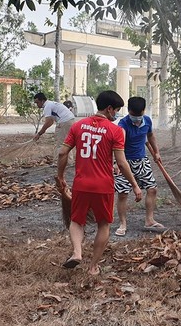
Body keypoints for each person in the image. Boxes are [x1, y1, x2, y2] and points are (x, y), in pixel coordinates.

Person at [56, 90, 142, 275]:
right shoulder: (115, 131)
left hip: (81, 184)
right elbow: (121, 162)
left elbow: (63, 153)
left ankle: (77, 252)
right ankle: (93, 266)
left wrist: (61, 176)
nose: (117, 114)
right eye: (116, 110)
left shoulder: (78, 126)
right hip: (103, 186)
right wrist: (134, 185)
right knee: (103, 224)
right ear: (109, 108)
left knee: (77, 220)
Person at [113, 96, 165, 236]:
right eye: (133, 115)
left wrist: (157, 152)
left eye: (139, 115)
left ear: (143, 111)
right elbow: (119, 146)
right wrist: (117, 163)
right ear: (129, 111)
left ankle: (149, 220)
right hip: (125, 162)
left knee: (152, 189)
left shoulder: (147, 120)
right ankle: (123, 223)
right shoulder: (122, 125)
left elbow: (151, 136)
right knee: (123, 194)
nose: (136, 118)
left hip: (142, 161)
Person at [33, 93, 75, 162]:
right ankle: (69, 162)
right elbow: (51, 121)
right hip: (70, 120)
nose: (37, 105)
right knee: (66, 143)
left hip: (64, 122)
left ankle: (58, 162)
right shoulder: (51, 104)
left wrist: (39, 134)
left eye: (37, 102)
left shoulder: (47, 106)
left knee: (59, 144)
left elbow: (49, 122)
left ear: (42, 101)